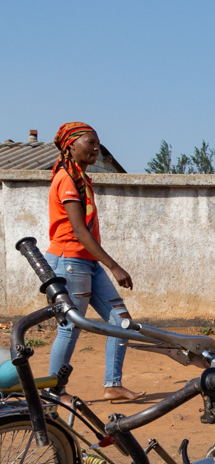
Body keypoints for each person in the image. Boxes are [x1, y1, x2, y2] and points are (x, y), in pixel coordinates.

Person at [45, 122, 143, 402]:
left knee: (121, 321)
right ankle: (55, 391)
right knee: (71, 326)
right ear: (71, 145)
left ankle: (113, 385)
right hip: (70, 261)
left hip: (85, 262)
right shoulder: (66, 178)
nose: (96, 148)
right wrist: (114, 266)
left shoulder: (80, 178)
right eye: (91, 142)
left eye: (97, 143)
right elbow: (79, 231)